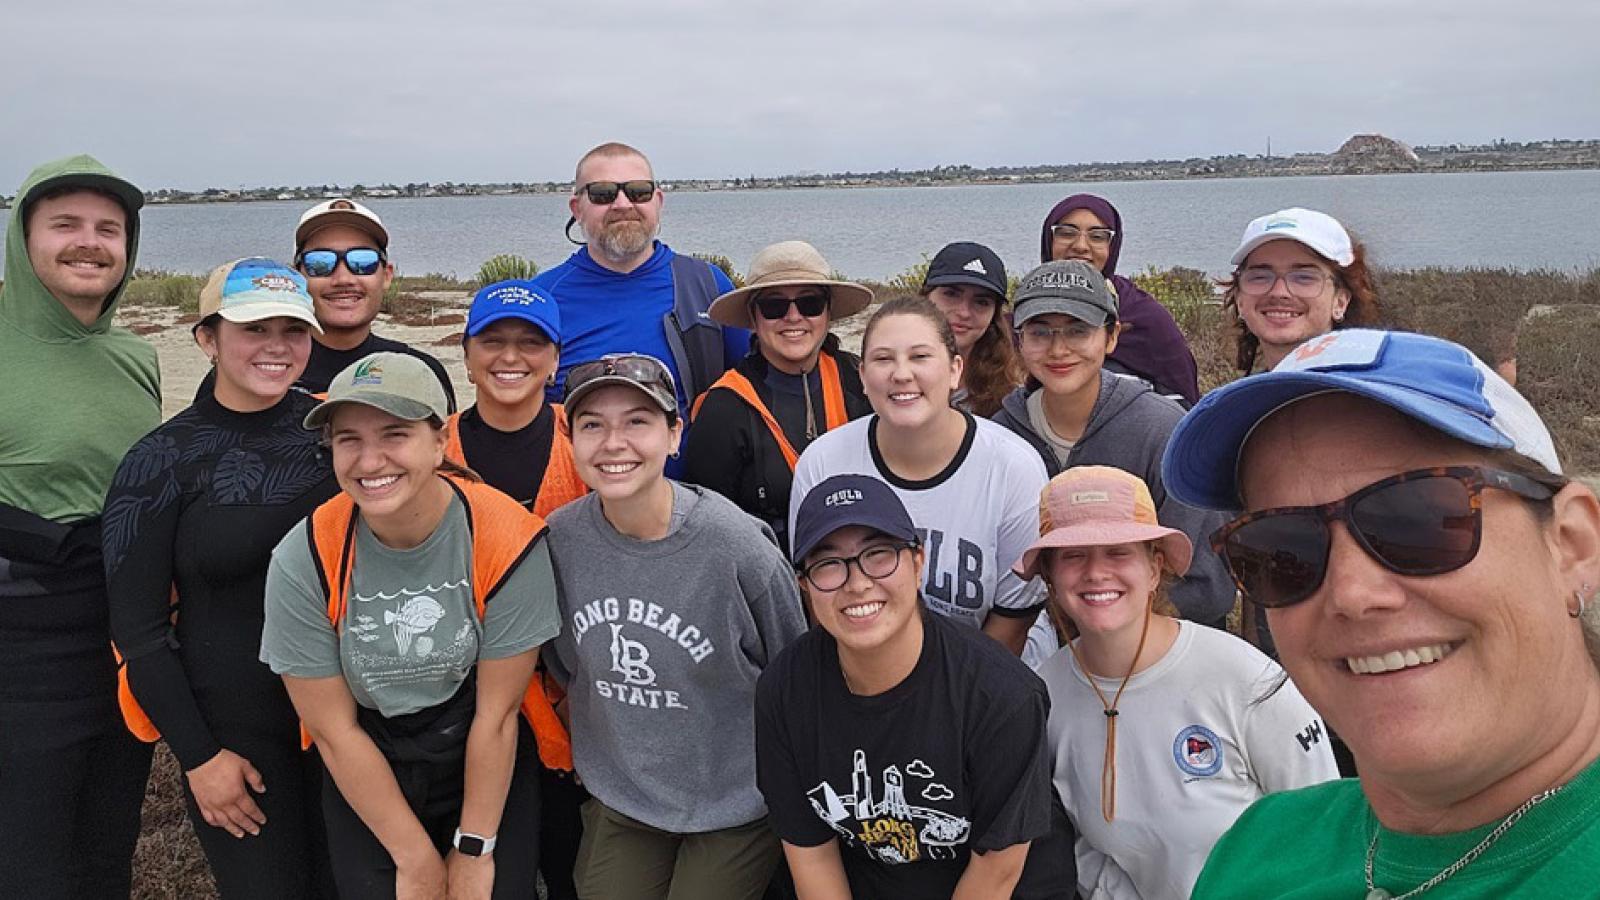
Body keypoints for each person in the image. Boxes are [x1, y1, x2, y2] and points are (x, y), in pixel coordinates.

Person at [1159, 329, 1600, 898]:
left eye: (1417, 520)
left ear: (1572, 544)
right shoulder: (1257, 849)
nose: (1352, 594)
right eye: (1282, 549)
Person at [261, 352, 563, 899]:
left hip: (479, 743)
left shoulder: (504, 537)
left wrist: (474, 848)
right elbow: (334, 730)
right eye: (349, 439)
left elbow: (497, 715)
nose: (369, 460)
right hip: (368, 753)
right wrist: (415, 860)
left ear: (440, 440)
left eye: (394, 434)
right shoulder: (305, 557)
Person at [104, 259, 339, 898]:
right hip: (236, 736)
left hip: (350, 722)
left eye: (293, 330)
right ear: (207, 338)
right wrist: (199, 757)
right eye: (253, 329)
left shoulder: (337, 433)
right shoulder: (159, 461)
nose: (276, 347)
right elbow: (138, 631)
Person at [543, 353, 807, 899]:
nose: (613, 443)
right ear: (571, 440)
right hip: (625, 793)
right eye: (592, 425)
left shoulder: (736, 546)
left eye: (637, 422)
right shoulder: (560, 539)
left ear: (674, 435)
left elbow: (795, 668)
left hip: (735, 800)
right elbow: (568, 666)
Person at [1016, 466, 1337, 899]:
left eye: (1118, 552)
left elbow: (1323, 827)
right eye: (1073, 555)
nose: (1096, 572)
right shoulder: (1044, 692)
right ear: (1050, 579)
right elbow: (1079, 847)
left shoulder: (1245, 679)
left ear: (1154, 569)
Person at [756, 474, 1053, 898]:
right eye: (828, 564)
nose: (857, 583)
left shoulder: (1003, 696)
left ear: (917, 562)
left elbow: (997, 871)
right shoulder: (785, 690)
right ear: (805, 585)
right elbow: (812, 855)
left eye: (878, 555)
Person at [0, 154, 159, 898]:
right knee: (28, 864)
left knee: (106, 850)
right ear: (23, 237)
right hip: (19, 658)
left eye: (109, 229)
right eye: (65, 224)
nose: (89, 242)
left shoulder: (136, 356)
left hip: (120, 646)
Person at [789, 296, 1050, 660]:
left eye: (920, 356)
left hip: (986, 672)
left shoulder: (1013, 467)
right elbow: (821, 598)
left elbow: (1015, 617)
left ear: (955, 369)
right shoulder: (823, 463)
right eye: (883, 359)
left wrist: (948, 692)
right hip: (866, 668)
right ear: (862, 376)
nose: (901, 374)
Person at [991, 260, 1235, 628]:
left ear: (1111, 336)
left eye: (1078, 330)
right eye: (1040, 332)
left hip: (1159, 643)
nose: (1058, 349)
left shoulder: (1161, 430)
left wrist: (1102, 624)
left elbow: (1206, 584)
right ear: (1019, 340)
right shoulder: (1001, 437)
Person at [443, 278, 587, 900]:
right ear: (466, 354)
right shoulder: (431, 446)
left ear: (555, 360)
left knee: (569, 858)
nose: (510, 357)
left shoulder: (587, 441)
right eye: (492, 340)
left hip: (570, 693)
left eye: (531, 343)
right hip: (458, 697)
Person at [534, 142, 750, 474]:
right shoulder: (543, 298)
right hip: (578, 495)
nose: (623, 205)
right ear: (577, 208)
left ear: (658, 201)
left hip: (695, 492)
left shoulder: (706, 285)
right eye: (603, 194)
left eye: (638, 192)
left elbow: (753, 387)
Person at [684, 240, 873, 553]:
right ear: (753, 317)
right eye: (774, 306)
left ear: (827, 312)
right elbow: (709, 530)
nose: (793, 316)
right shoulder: (724, 408)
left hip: (863, 564)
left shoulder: (860, 381)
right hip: (768, 570)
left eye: (810, 303)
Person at [1040, 193, 1199, 406]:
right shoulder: (1024, 316)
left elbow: (1183, 407)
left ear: (1112, 246)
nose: (1080, 246)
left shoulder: (1146, 319)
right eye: (1067, 233)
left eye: (1097, 236)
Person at [1221, 206, 1381, 373]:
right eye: (1260, 277)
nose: (1279, 292)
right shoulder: (1249, 390)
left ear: (1340, 301)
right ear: (1239, 299)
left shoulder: (1368, 388)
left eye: (1304, 277)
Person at [919, 241, 1021, 417]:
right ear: (925, 297)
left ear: (994, 315)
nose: (964, 312)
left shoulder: (1011, 402)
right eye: (951, 294)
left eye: (981, 302)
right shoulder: (885, 380)